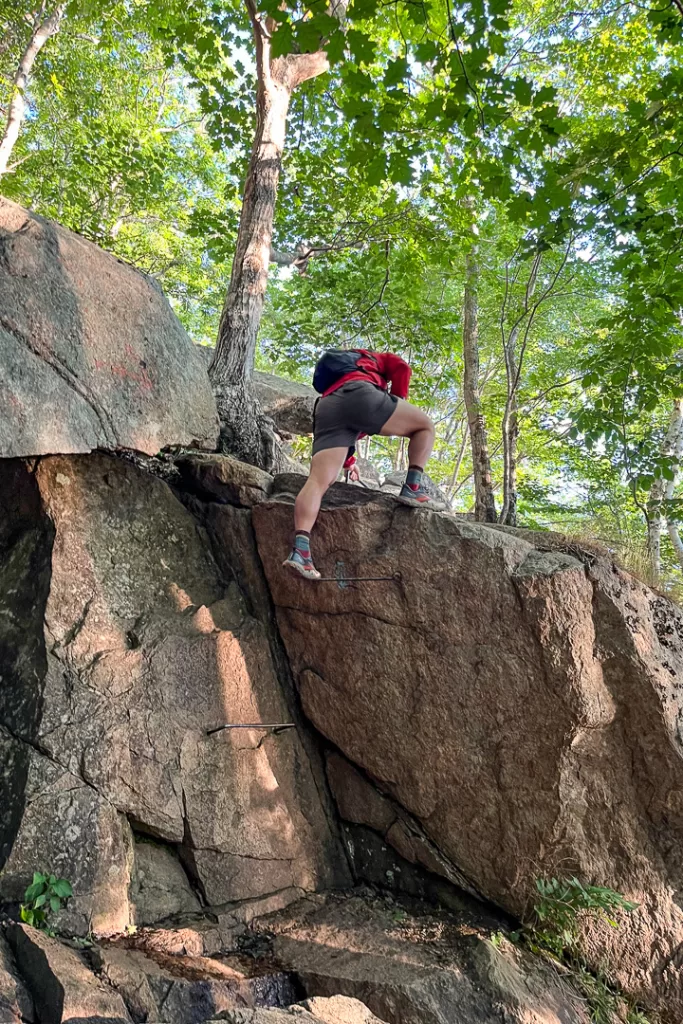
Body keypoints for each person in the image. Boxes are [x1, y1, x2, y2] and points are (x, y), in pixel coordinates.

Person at [283, 348, 446, 580]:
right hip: (361, 393)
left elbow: (350, 427)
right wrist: (397, 402)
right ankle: (412, 488)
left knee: (317, 482)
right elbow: (402, 368)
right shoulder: (375, 357)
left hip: (327, 406)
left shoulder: (336, 381)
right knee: (425, 427)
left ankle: (301, 552)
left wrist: (349, 462)